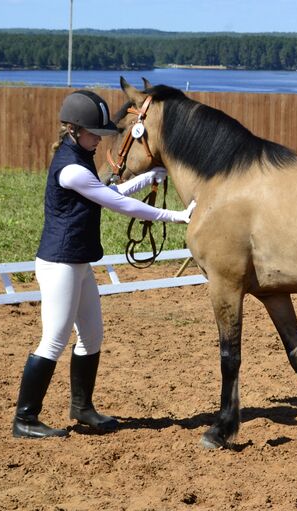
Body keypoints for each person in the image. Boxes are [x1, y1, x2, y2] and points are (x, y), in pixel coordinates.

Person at [12, 89, 196, 438]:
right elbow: (116, 203)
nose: (99, 140)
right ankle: (25, 419)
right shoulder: (70, 170)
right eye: (94, 133)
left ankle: (82, 407)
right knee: (53, 340)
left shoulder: (79, 157)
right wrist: (175, 216)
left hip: (78, 262)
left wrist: (148, 177)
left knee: (92, 336)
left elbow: (107, 191)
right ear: (73, 130)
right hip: (60, 264)